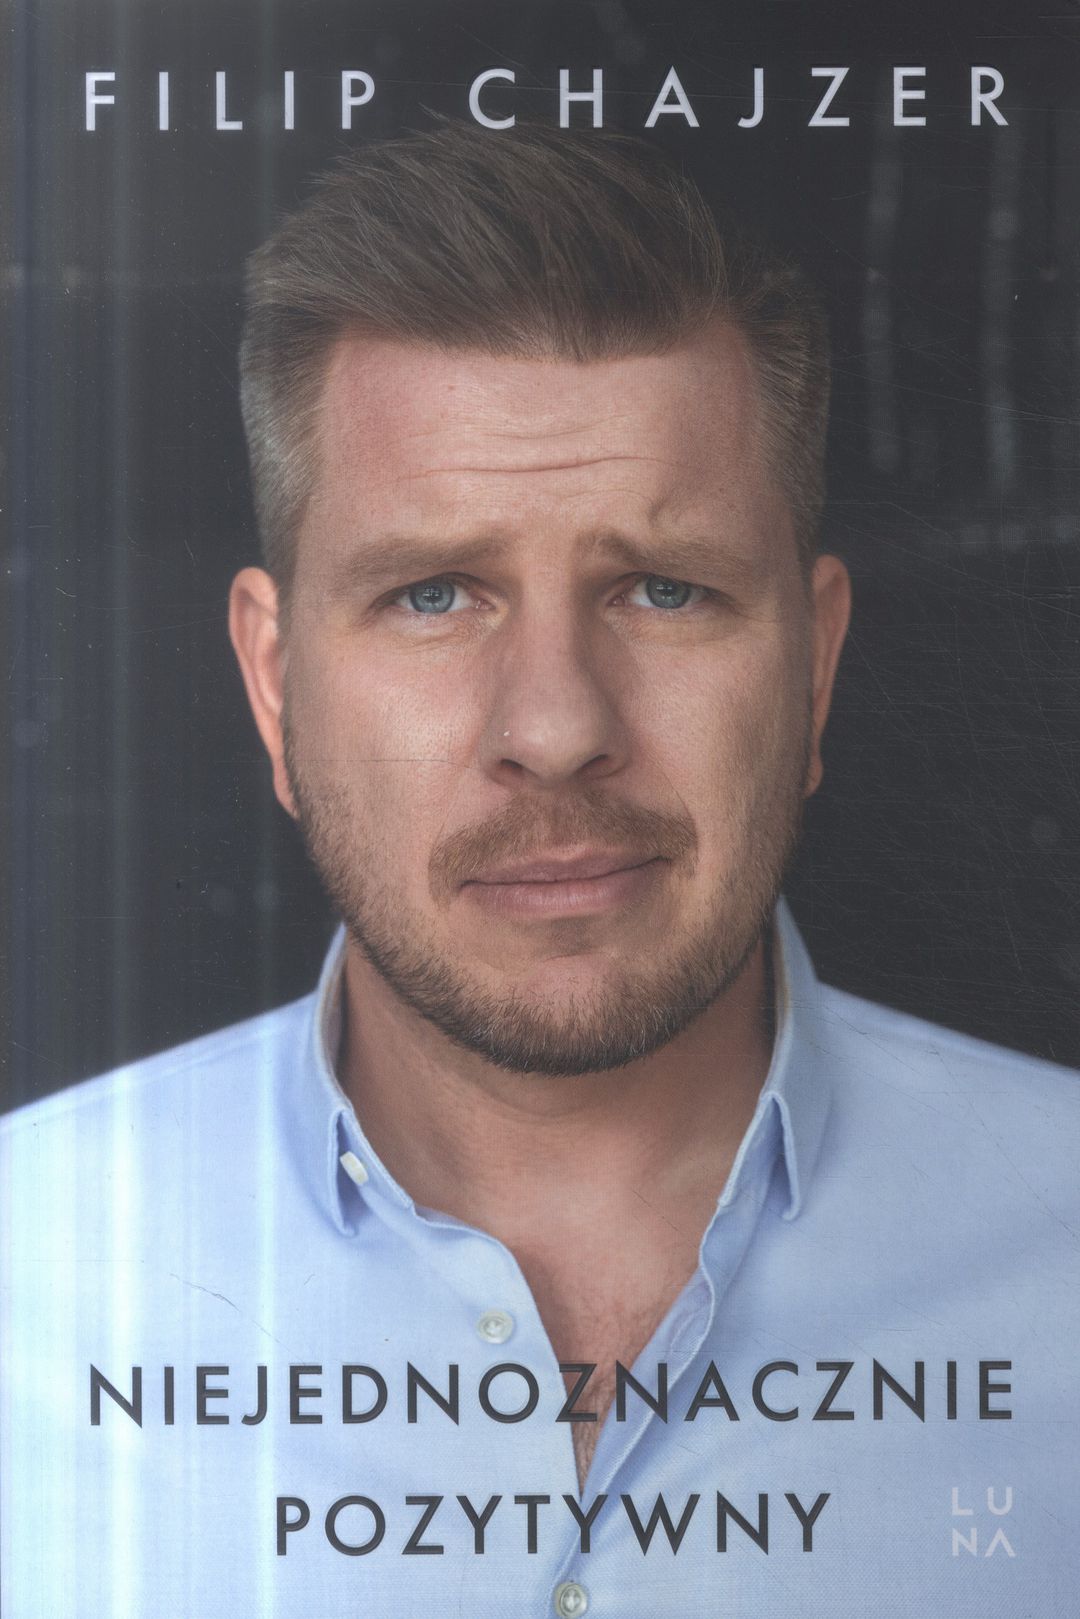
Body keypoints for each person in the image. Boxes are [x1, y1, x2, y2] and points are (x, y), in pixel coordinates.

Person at [2, 123, 1077, 1618]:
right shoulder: (26, 1282)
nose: (558, 730)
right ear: (274, 684)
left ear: (817, 668)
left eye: (665, 589)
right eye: (433, 594)